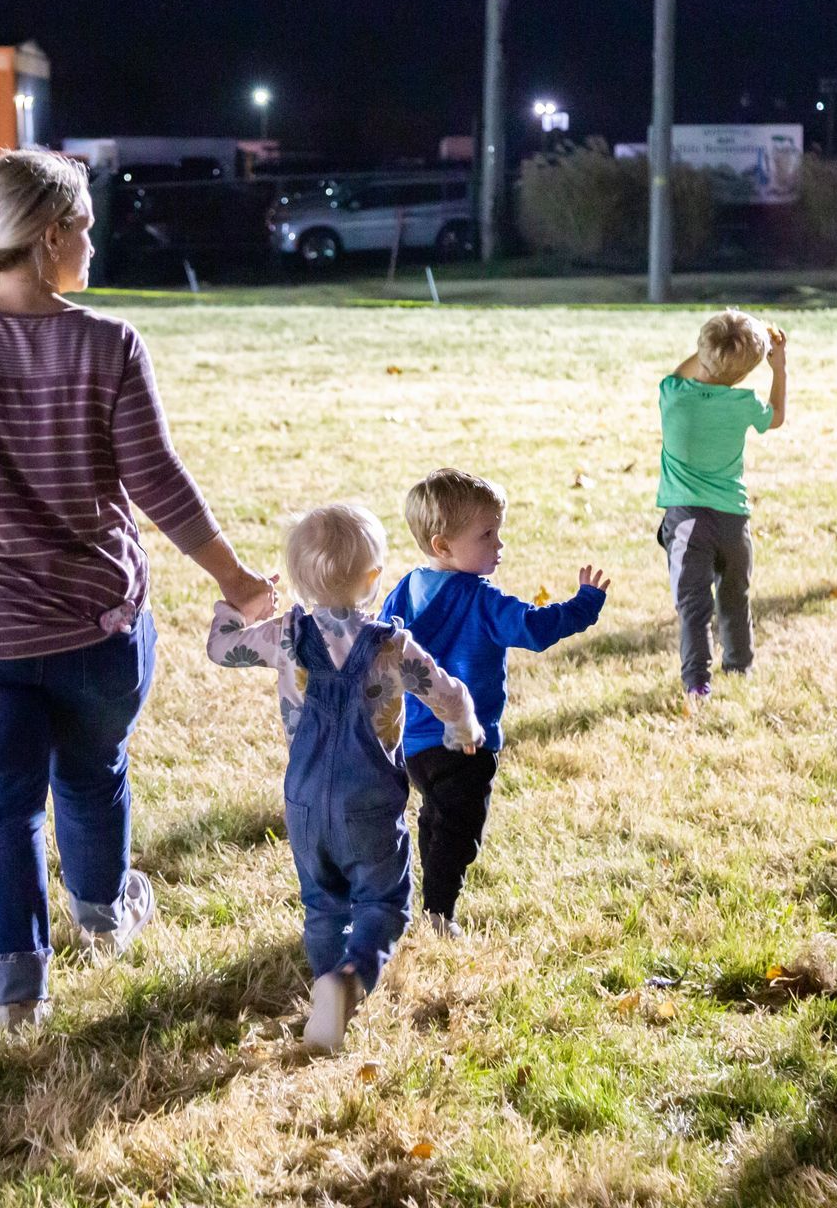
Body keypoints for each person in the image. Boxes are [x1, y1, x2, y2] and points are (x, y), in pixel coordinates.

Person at [0, 148, 275, 1031]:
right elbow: (158, 482)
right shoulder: (108, 344)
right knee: (94, 775)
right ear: (52, 235)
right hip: (97, 634)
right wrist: (238, 581)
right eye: (86, 227)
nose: (94, 242)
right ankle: (101, 913)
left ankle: (18, 993)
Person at [207, 503, 481, 1054]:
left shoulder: (284, 636)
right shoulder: (390, 646)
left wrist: (237, 608)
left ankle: (324, 986)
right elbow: (447, 694)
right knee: (383, 903)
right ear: (373, 579)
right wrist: (463, 727)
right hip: (369, 803)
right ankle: (350, 982)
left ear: (300, 582)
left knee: (323, 903)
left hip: (305, 802)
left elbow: (220, 648)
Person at [378, 469, 608, 935]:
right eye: (487, 534)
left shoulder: (405, 589)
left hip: (410, 744)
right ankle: (439, 914)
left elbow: (377, 645)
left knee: (437, 818)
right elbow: (535, 628)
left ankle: (423, 900)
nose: (499, 544)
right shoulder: (481, 601)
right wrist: (584, 605)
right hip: (465, 743)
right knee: (461, 831)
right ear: (443, 545)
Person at [654, 309, 788, 698]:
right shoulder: (744, 401)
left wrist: (715, 346)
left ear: (701, 349)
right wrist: (777, 368)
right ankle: (740, 665)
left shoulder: (673, 396)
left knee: (694, 606)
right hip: (733, 519)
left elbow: (681, 371)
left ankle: (697, 682)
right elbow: (776, 417)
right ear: (746, 374)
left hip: (687, 521)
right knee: (734, 596)